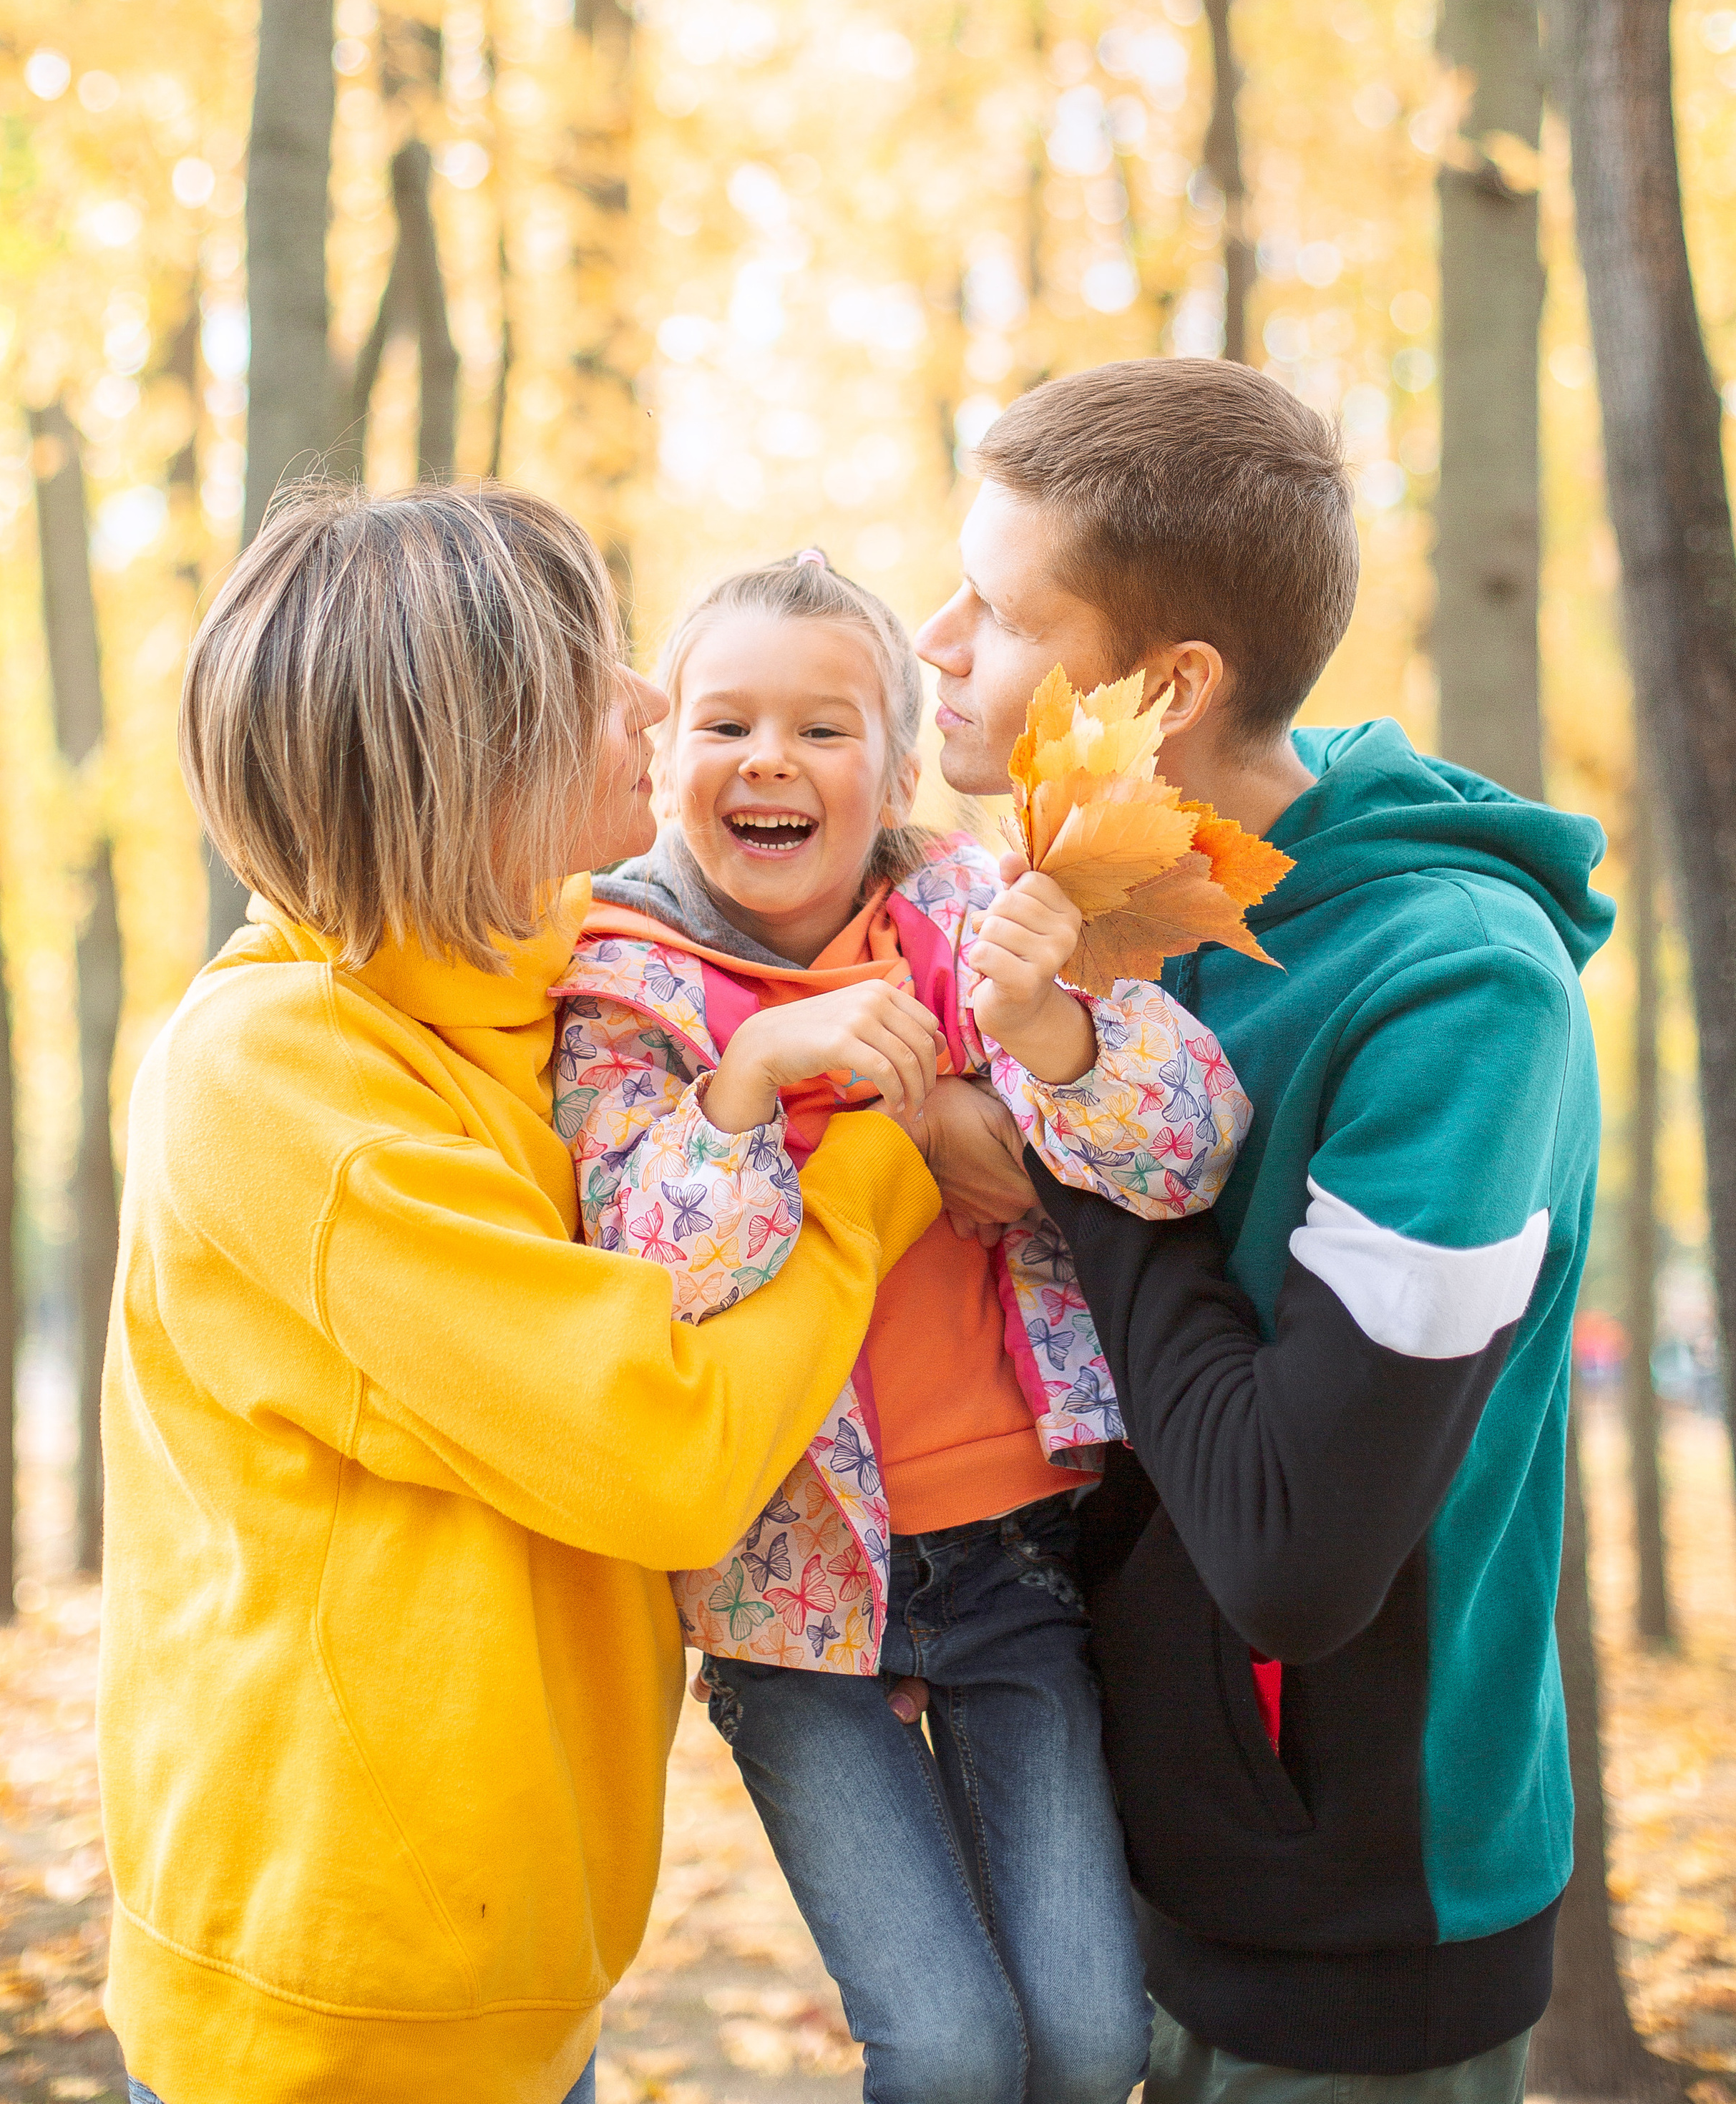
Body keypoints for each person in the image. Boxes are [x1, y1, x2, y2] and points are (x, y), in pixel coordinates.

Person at [98, 482, 949, 2104]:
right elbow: (663, 1450)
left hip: (513, 1946)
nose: (650, 704)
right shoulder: (285, 1080)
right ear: (470, 758)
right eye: (594, 672)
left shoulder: (536, 989)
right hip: (341, 1992)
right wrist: (879, 1177)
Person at [910, 359, 1612, 2104]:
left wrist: (1084, 1134)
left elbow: (1296, 1551)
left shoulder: (1452, 989)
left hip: (1350, 1932)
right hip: (1098, 1869)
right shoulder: (1122, 898)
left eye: (995, 613)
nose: (934, 641)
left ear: (1163, 685)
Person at [551, 552, 1249, 2104]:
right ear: (663, 758)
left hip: (1007, 1555)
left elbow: (1184, 1145)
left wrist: (1046, 1034)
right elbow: (653, 1268)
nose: (769, 763)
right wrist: (752, 1078)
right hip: (785, 1589)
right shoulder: (620, 987)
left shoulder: (981, 915)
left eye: (823, 728)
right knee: (944, 2049)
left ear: (895, 762)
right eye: (725, 724)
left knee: (1084, 2042)